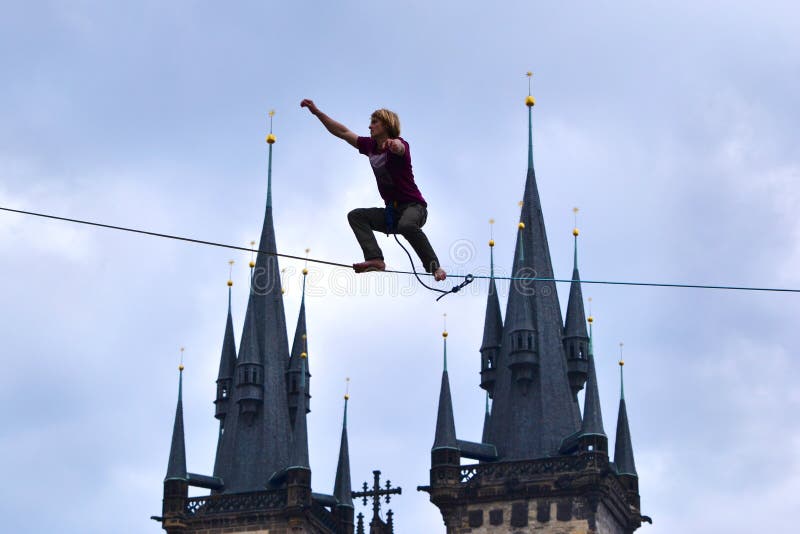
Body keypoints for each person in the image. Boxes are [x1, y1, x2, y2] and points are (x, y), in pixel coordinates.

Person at [300, 99, 447, 281]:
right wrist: (317, 113)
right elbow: (342, 132)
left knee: (407, 226)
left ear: (386, 124)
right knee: (356, 216)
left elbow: (401, 150)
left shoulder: (400, 144)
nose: (370, 126)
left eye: (374, 122)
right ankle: (375, 259)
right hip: (392, 213)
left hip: (414, 208)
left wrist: (395, 146)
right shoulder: (369, 146)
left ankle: (434, 267)